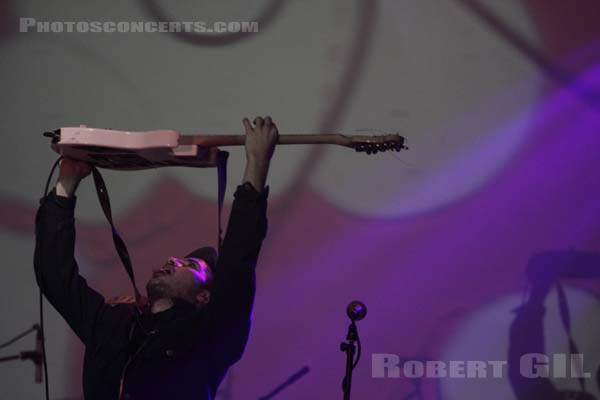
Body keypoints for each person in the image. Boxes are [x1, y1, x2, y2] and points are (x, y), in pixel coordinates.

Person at [34, 116, 279, 400]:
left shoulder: (210, 335)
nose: (174, 260)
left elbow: (238, 260)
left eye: (189, 265)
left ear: (205, 297)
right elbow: (54, 274)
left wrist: (257, 164)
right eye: (178, 259)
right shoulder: (111, 323)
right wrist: (66, 185)